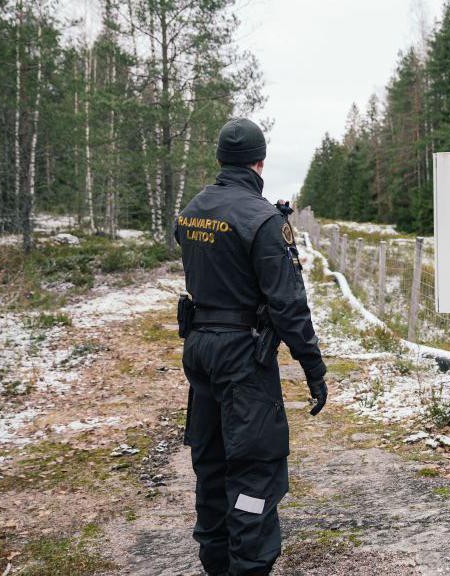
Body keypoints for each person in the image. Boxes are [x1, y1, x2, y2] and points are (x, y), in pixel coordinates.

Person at [175, 117, 328, 576]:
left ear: (221, 158)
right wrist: (313, 368)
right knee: (254, 467)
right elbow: (289, 305)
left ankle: (216, 560)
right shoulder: (262, 219)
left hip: (200, 350)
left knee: (211, 460)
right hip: (242, 356)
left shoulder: (192, 210)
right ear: (259, 162)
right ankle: (248, 566)